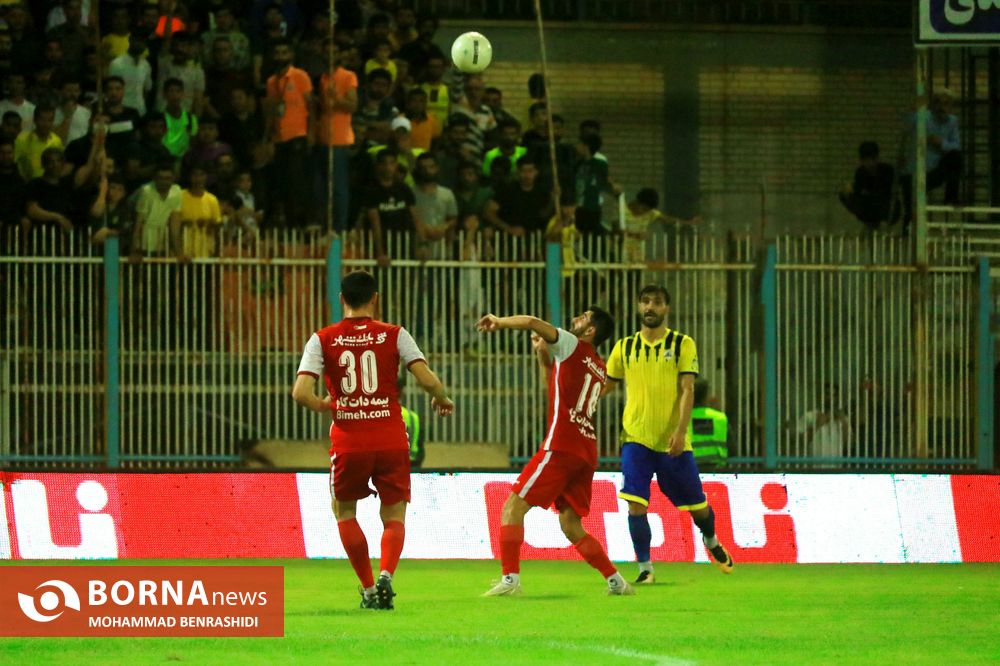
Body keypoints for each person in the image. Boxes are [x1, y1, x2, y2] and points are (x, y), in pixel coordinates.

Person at [292, 270, 454, 610]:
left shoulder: (322, 339)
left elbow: (300, 392)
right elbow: (426, 378)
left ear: (342, 299)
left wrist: (326, 404)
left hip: (349, 441)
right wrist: (441, 397)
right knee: (394, 514)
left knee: (344, 511)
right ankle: (386, 576)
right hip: (391, 438)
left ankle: (368, 590)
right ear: (375, 299)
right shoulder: (395, 334)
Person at [476, 307, 632, 596]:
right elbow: (554, 385)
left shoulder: (572, 344)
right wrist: (542, 355)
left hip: (562, 445)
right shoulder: (599, 367)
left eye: (583, 317)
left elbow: (532, 322)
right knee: (571, 524)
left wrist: (499, 321)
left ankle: (510, 581)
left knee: (512, 507)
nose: (576, 318)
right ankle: (616, 581)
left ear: (590, 331)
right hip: (586, 450)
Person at [602, 284, 734, 584]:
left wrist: (680, 431)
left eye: (657, 302)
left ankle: (711, 539)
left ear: (666, 308)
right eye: (645, 301)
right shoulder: (624, 347)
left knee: (698, 508)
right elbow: (606, 385)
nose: (650, 307)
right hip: (636, 438)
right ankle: (645, 568)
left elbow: (688, 390)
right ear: (639, 306)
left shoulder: (682, 344)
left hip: (674, 441)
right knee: (636, 503)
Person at [265, 37, 313, 227]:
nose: (280, 56)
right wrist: (268, 138)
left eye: (284, 52)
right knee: (282, 182)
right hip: (279, 138)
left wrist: (311, 133)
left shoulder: (300, 76)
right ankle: (289, 223)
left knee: (296, 181)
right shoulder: (271, 82)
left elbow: (311, 106)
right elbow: (271, 111)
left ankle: (302, 223)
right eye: (277, 53)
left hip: (298, 134)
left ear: (291, 55)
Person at [839, 141, 895, 230]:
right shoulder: (860, 172)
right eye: (866, 160)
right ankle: (869, 222)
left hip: (884, 205)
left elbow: (886, 192)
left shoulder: (887, 170)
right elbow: (858, 190)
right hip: (869, 205)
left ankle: (879, 222)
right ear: (862, 161)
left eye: (872, 159)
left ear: (877, 159)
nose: (870, 163)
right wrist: (851, 188)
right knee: (845, 194)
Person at [690, 379, 728, 469]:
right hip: (717, 471)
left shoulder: (682, 419)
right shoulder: (720, 418)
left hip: (689, 470)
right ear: (706, 397)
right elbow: (733, 448)